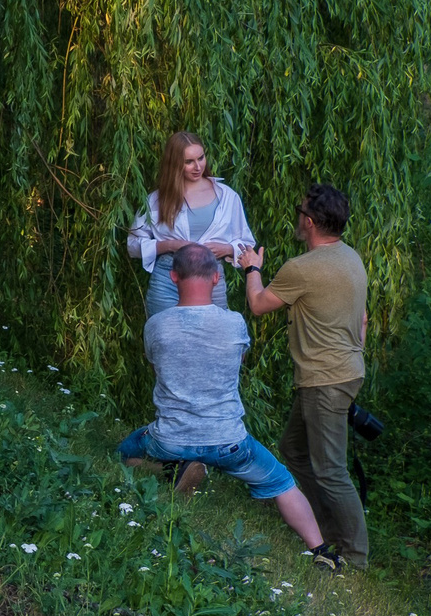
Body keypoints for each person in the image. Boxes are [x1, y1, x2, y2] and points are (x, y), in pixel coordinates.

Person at [119, 244, 345, 570]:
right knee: (282, 482)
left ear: (172, 277)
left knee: (127, 451)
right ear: (215, 278)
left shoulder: (156, 325)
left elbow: (159, 369)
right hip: (229, 442)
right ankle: (322, 551)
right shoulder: (235, 323)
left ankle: (170, 469)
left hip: (170, 438)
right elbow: (237, 361)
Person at [237, 183, 371, 570]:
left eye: (300, 211)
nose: (298, 216)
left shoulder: (303, 268)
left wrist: (252, 269)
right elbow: (361, 320)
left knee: (330, 469)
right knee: (294, 449)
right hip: (343, 372)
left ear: (309, 222)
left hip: (324, 380)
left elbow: (260, 304)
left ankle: (355, 560)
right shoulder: (351, 258)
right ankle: (325, 530)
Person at [127, 130, 251, 319]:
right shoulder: (157, 200)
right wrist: (169, 245)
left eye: (201, 158)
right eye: (188, 162)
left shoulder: (227, 196)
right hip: (169, 278)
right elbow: (133, 245)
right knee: (166, 339)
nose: (198, 167)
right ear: (175, 164)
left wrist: (226, 248)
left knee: (213, 339)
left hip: (211, 278)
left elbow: (247, 244)